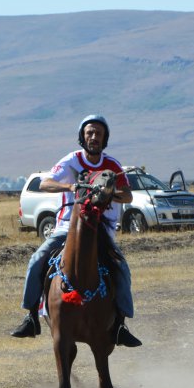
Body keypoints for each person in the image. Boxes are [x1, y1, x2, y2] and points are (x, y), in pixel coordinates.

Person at [11, 114, 142, 347]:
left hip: (102, 230)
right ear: (82, 137)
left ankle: (120, 325)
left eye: (98, 134)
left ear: (105, 138)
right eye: (89, 133)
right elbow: (44, 183)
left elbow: (128, 195)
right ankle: (31, 316)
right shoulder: (72, 161)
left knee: (122, 269)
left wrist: (110, 192)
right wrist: (71, 185)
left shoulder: (112, 165)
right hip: (67, 228)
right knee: (37, 259)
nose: (93, 137)